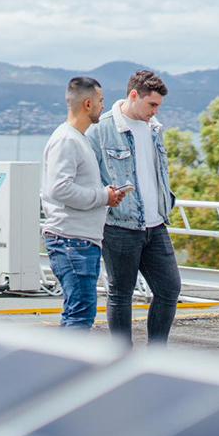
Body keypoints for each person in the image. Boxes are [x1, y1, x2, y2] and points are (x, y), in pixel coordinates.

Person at [87, 69, 181, 346]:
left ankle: (156, 357)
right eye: (152, 104)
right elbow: (89, 177)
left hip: (156, 224)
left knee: (169, 289)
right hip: (119, 225)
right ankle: (121, 359)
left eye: (158, 106)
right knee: (120, 293)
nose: (155, 111)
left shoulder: (154, 129)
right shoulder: (100, 129)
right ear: (133, 95)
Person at [40, 76, 126, 329]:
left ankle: (60, 366)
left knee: (75, 313)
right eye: (101, 101)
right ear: (88, 104)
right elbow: (59, 188)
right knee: (81, 315)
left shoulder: (78, 138)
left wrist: (105, 194)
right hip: (71, 241)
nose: (103, 106)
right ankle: (69, 368)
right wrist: (103, 197)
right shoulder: (67, 140)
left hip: (77, 240)